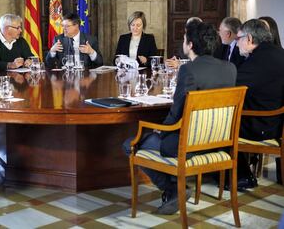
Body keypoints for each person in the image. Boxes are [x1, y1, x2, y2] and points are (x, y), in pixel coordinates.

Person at [122, 21, 237, 215]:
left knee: (130, 144)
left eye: (184, 39)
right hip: (217, 143)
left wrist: (160, 129)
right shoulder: (230, 68)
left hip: (188, 145)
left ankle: (173, 189)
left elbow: (176, 113)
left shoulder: (188, 70)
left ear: (190, 45)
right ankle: (176, 188)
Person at [235, 19, 284, 188]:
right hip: (277, 122)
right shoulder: (278, 53)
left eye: (238, 38)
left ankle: (240, 175)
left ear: (249, 39)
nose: (236, 43)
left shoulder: (259, 60)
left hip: (262, 125)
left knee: (220, 124)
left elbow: (232, 86)